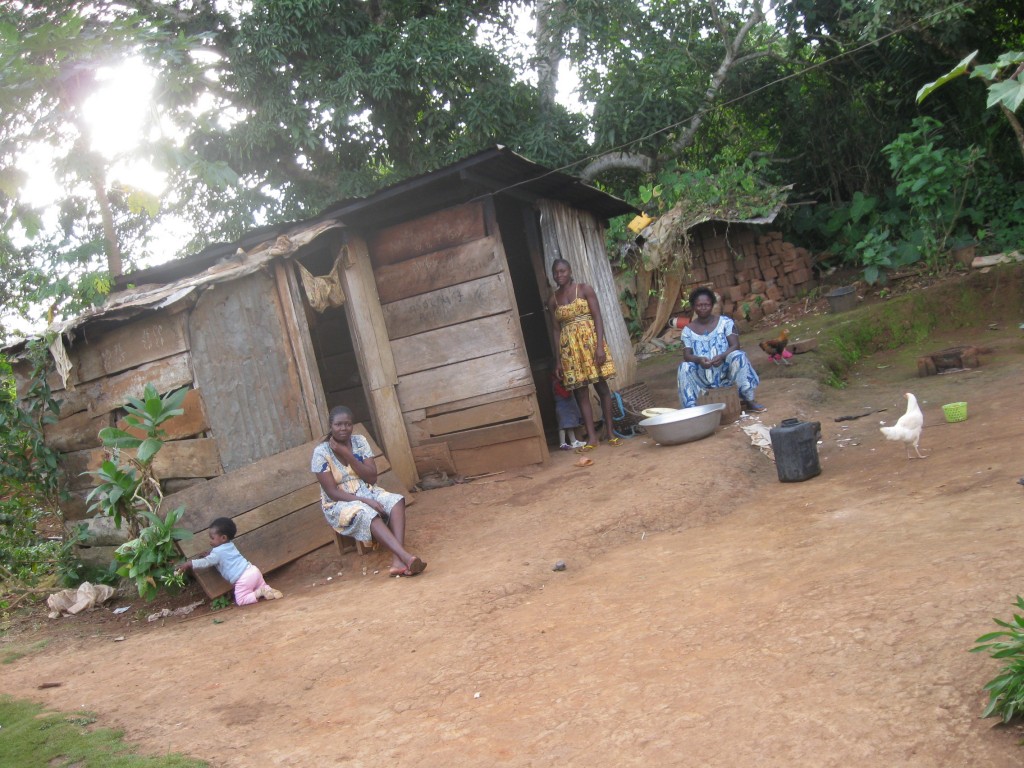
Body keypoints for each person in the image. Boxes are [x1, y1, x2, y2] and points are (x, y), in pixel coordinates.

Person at [311, 405, 426, 577]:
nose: (343, 429)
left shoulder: (360, 442)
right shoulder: (321, 452)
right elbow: (332, 492)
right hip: (339, 503)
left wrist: (347, 453)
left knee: (396, 500)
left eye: (348, 424)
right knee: (366, 512)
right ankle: (406, 557)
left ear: (352, 425)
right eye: (338, 425)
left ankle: (397, 560)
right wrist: (366, 501)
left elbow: (371, 478)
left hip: (366, 490)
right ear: (331, 426)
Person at [548, 258, 619, 452]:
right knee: (581, 393)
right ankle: (593, 438)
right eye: (556, 272)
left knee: (602, 387)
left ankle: (611, 433)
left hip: (590, 346)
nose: (559, 275)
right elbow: (556, 331)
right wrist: (559, 360)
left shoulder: (585, 289)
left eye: (562, 271)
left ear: (570, 271)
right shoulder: (553, 300)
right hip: (570, 351)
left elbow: (597, 317)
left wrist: (599, 347)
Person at [677, 286, 766, 413]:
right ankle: (691, 410)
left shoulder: (725, 323)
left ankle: (749, 399)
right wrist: (700, 360)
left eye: (706, 304)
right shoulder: (688, 330)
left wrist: (722, 356)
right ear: (693, 307)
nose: (703, 308)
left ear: (712, 305)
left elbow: (735, 345)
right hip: (702, 374)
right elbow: (687, 355)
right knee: (684, 367)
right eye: (699, 305)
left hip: (726, 371)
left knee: (738, 355)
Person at [176, 517, 283, 605]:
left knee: (241, 600)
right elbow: (221, 557)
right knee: (262, 585)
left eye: (212, 538)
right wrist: (210, 554)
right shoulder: (230, 545)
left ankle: (260, 592)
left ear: (223, 538)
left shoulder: (217, 553)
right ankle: (269, 591)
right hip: (253, 571)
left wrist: (189, 563)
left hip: (243, 579)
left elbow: (206, 562)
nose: (210, 541)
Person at [552, 371, 586, 450]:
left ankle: (573, 441)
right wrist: (570, 388)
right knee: (562, 426)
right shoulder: (556, 383)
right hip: (562, 408)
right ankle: (562, 443)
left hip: (565, 407)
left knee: (569, 424)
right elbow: (565, 394)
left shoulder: (557, 382)